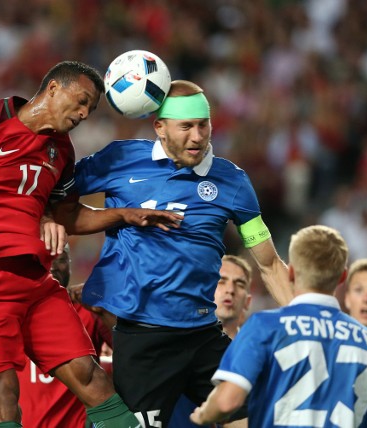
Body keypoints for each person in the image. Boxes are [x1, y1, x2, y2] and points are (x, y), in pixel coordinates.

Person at [0, 60, 180, 427]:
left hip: (37, 285)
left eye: (91, 108)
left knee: (91, 378)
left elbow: (69, 216)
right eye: (81, 100)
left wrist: (124, 215)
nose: (84, 113)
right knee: (4, 396)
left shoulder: (62, 152)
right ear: (52, 88)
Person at [72, 79, 293, 427]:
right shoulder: (120, 159)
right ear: (159, 127)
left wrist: (307, 320)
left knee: (259, 417)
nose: (197, 136)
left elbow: (268, 264)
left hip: (204, 335)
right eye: (186, 126)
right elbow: (57, 192)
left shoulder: (232, 181)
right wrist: (56, 220)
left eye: (203, 125)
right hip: (144, 339)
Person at [190, 225, 367, 427]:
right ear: (342, 277)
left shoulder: (264, 327)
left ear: (292, 272)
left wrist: (204, 415)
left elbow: (227, 401)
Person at [0, 245, 114, 427]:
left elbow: (129, 355)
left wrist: (104, 311)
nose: (54, 265)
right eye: (44, 257)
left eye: (61, 258)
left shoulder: (85, 310)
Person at [169, 255, 253, 428]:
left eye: (240, 284)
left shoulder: (257, 357)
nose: (230, 289)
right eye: (221, 281)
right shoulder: (175, 345)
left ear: (248, 301)